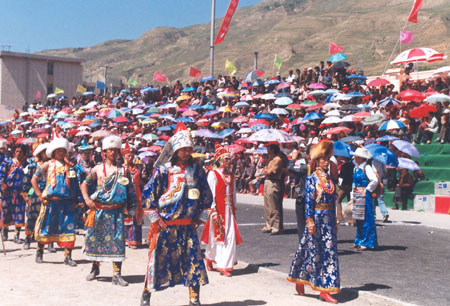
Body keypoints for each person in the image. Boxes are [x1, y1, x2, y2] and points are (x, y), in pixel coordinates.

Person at [140, 129, 213, 306]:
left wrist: (200, 218)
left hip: (188, 226)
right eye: (183, 149)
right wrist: (156, 218)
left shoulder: (197, 171)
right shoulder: (163, 171)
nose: (187, 152)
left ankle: (194, 299)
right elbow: (148, 195)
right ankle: (146, 293)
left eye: (189, 149)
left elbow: (206, 196)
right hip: (166, 226)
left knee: (193, 261)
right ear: (175, 150)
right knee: (157, 261)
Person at [287, 140, 340, 304]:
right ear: (317, 160)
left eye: (328, 158)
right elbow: (309, 202)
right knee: (313, 252)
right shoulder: (312, 179)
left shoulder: (330, 180)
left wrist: (335, 220)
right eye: (323, 158)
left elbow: (334, 201)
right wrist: (309, 221)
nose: (326, 161)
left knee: (329, 254)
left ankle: (325, 287)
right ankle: (305, 280)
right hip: (316, 219)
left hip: (329, 220)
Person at [81, 135, 137, 286]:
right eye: (109, 150)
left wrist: (131, 209)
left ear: (119, 152)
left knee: (117, 241)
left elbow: (131, 191)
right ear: (104, 152)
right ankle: (95, 268)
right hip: (99, 210)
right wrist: (87, 200)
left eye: (115, 150)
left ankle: (117, 274)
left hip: (117, 211)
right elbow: (84, 185)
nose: (112, 152)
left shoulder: (124, 171)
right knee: (95, 239)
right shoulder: (97, 169)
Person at [32, 137, 80, 265]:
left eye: (63, 150)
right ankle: (39, 252)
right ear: (53, 152)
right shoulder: (47, 164)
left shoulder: (70, 167)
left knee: (68, 228)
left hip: (67, 203)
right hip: (50, 202)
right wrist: (40, 195)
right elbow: (34, 179)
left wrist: (77, 200)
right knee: (45, 227)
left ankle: (68, 256)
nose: (61, 153)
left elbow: (75, 185)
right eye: (58, 151)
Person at [201, 143, 242, 277]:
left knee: (229, 236)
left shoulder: (231, 175)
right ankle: (210, 257)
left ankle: (224, 264)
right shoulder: (213, 175)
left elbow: (233, 193)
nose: (229, 161)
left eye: (230, 159)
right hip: (217, 210)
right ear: (219, 161)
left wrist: (234, 208)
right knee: (216, 236)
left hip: (228, 210)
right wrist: (212, 211)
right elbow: (209, 194)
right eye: (226, 159)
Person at [23, 143, 53, 251]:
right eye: (43, 152)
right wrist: (26, 197)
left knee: (49, 217)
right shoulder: (32, 166)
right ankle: (28, 238)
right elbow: (26, 183)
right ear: (40, 154)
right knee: (32, 217)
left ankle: (49, 242)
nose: (46, 154)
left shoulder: (53, 165)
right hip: (36, 195)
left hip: (49, 194)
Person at [0, 144, 29, 244]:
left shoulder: (26, 165)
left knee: (19, 214)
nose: (18, 153)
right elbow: (1, 175)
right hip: (7, 191)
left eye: (21, 151)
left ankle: (16, 235)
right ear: (14, 152)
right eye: (17, 151)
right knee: (5, 211)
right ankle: (5, 231)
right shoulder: (7, 163)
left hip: (19, 193)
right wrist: (3, 186)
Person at [351, 147, 378, 251]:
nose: (355, 158)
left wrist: (367, 190)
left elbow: (374, 180)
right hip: (357, 193)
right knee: (358, 218)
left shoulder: (366, 168)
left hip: (364, 195)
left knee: (366, 218)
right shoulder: (356, 168)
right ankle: (359, 239)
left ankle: (367, 241)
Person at [122, 141, 144, 249]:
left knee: (136, 217)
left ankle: (136, 240)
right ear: (124, 156)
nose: (130, 157)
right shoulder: (121, 168)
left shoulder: (138, 168)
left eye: (131, 155)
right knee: (127, 216)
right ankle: (126, 239)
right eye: (128, 155)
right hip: (125, 195)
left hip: (137, 194)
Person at [261, 142, 285, 235]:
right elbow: (265, 170)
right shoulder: (270, 158)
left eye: (268, 148)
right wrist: (266, 171)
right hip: (267, 181)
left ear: (272, 149)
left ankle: (276, 226)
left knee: (273, 205)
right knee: (267, 204)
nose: (267, 150)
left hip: (274, 181)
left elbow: (271, 171)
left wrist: (266, 171)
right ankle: (268, 224)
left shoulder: (277, 159)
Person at [287, 148, 309, 242]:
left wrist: (293, 158)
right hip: (312, 197)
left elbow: (290, 169)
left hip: (304, 196)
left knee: (301, 223)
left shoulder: (306, 167)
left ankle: (303, 243)